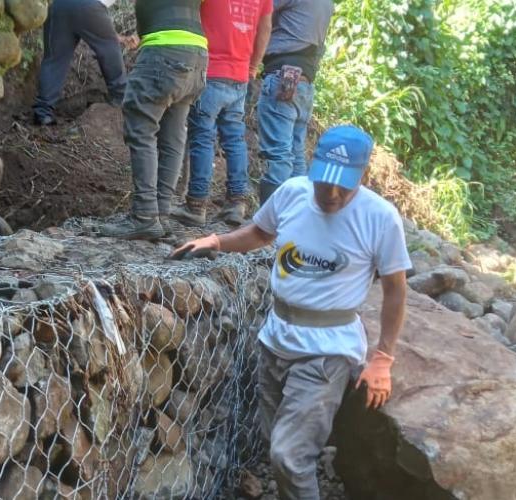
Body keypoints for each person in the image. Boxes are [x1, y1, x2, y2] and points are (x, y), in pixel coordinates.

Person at [171, 125, 411, 500]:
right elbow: (260, 233)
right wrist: (217, 241)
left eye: (343, 186)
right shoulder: (293, 193)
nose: (331, 194)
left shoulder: (380, 217)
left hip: (328, 349)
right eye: (323, 182)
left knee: (289, 456)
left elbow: (396, 289)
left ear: (362, 176)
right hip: (276, 337)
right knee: (277, 445)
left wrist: (382, 358)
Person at [99, 0, 208, 240]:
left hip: (164, 50)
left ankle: (145, 217)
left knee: (141, 129)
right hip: (197, 53)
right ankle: (160, 213)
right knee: (173, 136)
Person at [171, 0, 274, 227]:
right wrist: (253, 67)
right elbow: (265, 28)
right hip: (240, 75)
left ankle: (195, 206)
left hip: (211, 70)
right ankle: (237, 204)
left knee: (202, 137)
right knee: (235, 139)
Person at [257, 0, 334, 204]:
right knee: (296, 154)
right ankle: (299, 214)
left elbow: (259, 12)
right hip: (304, 83)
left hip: (283, 77)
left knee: (279, 154)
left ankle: (267, 225)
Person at [32, 0, 127, 126]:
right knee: (109, 49)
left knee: (54, 59)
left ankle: (42, 113)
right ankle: (120, 97)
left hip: (59, 6)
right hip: (90, 5)